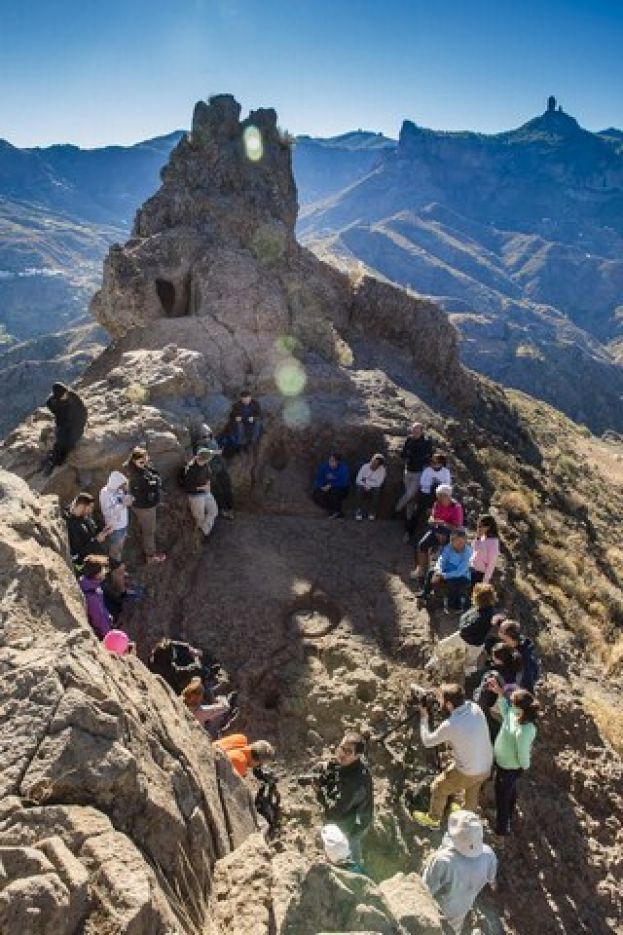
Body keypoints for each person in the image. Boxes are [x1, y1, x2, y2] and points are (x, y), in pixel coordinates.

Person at [412, 683, 493, 830]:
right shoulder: (475, 708)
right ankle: (464, 819)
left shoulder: (451, 725)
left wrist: (424, 718)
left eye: (441, 699)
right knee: (472, 793)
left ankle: (433, 819)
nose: (439, 701)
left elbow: (428, 742)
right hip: (486, 765)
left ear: (449, 704)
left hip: (468, 771)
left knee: (439, 787)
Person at [422, 809, 497, 934]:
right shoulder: (488, 855)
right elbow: (492, 881)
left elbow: (424, 891)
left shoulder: (443, 860)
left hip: (434, 915)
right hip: (461, 912)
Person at [313, 731, 374, 870]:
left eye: (348, 751)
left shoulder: (355, 782)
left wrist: (320, 792)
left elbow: (334, 812)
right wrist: (323, 768)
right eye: (342, 748)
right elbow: (335, 767)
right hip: (351, 809)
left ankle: (357, 873)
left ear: (357, 756)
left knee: (348, 846)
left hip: (356, 822)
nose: (342, 754)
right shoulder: (349, 763)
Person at [486, 682, 539, 836]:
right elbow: (506, 713)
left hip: (509, 767)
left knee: (502, 796)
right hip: (504, 763)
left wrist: (524, 766)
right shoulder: (515, 714)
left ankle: (502, 829)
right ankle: (509, 812)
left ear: (520, 708)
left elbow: (523, 753)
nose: (510, 700)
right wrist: (500, 695)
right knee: (509, 790)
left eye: (512, 700)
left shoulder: (525, 729)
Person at [427, 583, 498, 676]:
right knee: (470, 665)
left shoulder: (480, 613)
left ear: (478, 597)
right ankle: (469, 680)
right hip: (478, 645)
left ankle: (432, 668)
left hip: (464, 639)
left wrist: (463, 621)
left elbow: (465, 628)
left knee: (442, 646)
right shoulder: (490, 610)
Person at [124, 447, 166, 564]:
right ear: (134, 461)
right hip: (145, 508)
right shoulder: (138, 476)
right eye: (141, 461)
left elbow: (155, 477)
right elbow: (154, 484)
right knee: (149, 531)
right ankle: (151, 556)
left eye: (146, 460)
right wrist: (155, 480)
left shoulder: (138, 468)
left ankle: (149, 552)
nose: (144, 463)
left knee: (148, 530)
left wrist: (153, 477)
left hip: (143, 504)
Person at [413, 485, 464, 581]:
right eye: (438, 496)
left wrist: (443, 524)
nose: (439, 499)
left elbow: (457, 527)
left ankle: (441, 576)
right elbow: (433, 516)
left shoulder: (456, 507)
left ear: (448, 496)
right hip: (436, 530)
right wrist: (432, 520)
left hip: (451, 533)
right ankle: (421, 569)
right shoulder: (437, 504)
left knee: (444, 552)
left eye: (441, 496)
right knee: (422, 544)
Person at [417, 529, 473, 611]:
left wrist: (443, 575)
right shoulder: (449, 547)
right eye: (457, 542)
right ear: (452, 541)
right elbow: (441, 560)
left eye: (462, 542)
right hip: (446, 572)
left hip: (462, 576)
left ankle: (453, 606)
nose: (460, 544)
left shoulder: (468, 552)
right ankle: (425, 594)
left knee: (453, 582)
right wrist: (438, 570)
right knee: (431, 572)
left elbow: (460, 571)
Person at [41, 382, 88, 475]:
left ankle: (55, 460)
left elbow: (83, 412)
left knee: (69, 443)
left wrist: (78, 425)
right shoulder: (54, 401)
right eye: (63, 395)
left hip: (76, 424)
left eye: (65, 393)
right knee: (61, 440)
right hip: (63, 424)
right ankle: (53, 460)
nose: (65, 395)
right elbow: (50, 404)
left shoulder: (73, 398)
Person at [405, 452, 452, 540]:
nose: (432, 464)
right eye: (432, 462)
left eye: (435, 462)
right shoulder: (427, 470)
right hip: (426, 495)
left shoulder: (446, 472)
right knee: (417, 513)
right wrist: (434, 483)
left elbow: (447, 484)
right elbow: (423, 483)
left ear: (441, 464)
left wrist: (438, 485)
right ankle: (408, 532)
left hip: (439, 496)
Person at [194, 427, 234, 519]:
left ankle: (229, 508)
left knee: (226, 488)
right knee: (218, 491)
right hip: (212, 472)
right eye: (204, 436)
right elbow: (203, 455)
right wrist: (216, 452)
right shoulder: (200, 447)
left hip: (220, 469)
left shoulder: (213, 442)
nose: (207, 437)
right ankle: (223, 510)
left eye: (209, 435)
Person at [395, 422, 434, 515]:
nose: (415, 432)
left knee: (410, 494)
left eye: (417, 430)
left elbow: (430, 456)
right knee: (410, 495)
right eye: (413, 430)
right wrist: (406, 456)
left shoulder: (426, 442)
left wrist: (423, 462)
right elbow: (403, 453)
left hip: (418, 472)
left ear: (421, 431)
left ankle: (396, 509)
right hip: (408, 470)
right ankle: (409, 517)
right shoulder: (409, 439)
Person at [63, 492, 111, 566]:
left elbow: (92, 530)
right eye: (90, 507)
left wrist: (103, 530)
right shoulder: (70, 525)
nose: (91, 510)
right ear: (82, 506)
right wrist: (97, 541)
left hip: (95, 554)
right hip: (85, 563)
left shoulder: (85, 516)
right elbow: (79, 553)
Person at [182, 449, 219, 540]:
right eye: (209, 457)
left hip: (206, 492)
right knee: (199, 518)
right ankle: (201, 537)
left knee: (214, 511)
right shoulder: (190, 470)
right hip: (195, 496)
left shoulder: (205, 465)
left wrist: (208, 484)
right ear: (204, 458)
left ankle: (204, 531)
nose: (210, 459)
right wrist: (202, 488)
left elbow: (209, 475)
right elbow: (188, 488)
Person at [497, 620, 540, 694]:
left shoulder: (525, 659)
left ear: (509, 637)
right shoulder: (518, 642)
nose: (502, 642)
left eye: (504, 639)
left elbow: (528, 684)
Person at [99, 471, 133, 561]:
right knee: (115, 551)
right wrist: (123, 504)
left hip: (123, 525)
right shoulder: (105, 493)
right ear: (115, 483)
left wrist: (128, 499)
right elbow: (107, 512)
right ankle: (114, 567)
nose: (122, 487)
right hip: (115, 528)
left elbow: (120, 501)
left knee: (120, 548)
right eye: (121, 485)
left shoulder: (119, 490)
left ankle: (117, 564)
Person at [79, 555, 113, 639]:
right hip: (100, 635)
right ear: (96, 573)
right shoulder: (91, 594)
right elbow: (98, 618)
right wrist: (108, 634)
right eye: (103, 569)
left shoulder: (92, 587)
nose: (105, 572)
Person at [312, 453, 351, 518]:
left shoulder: (343, 468)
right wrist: (321, 486)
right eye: (330, 460)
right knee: (317, 494)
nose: (330, 462)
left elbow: (344, 482)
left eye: (332, 461)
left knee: (334, 493)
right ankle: (330, 510)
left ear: (337, 462)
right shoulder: (324, 467)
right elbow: (318, 479)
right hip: (326, 487)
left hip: (341, 488)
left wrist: (331, 485)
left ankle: (337, 512)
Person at [354, 453, 386, 520]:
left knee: (377, 491)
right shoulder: (365, 467)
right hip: (363, 485)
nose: (374, 465)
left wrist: (367, 483)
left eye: (376, 464)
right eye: (373, 462)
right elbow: (358, 480)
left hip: (374, 487)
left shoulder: (382, 470)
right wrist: (366, 485)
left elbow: (379, 483)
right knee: (359, 489)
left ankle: (372, 512)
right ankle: (359, 510)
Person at [470, 514, 500, 586]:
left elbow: (491, 564)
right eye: (478, 526)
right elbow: (474, 549)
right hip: (471, 569)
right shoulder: (483, 537)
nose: (478, 528)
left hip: (479, 575)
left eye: (481, 526)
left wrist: (484, 582)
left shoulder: (493, 543)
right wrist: (478, 538)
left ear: (488, 527)